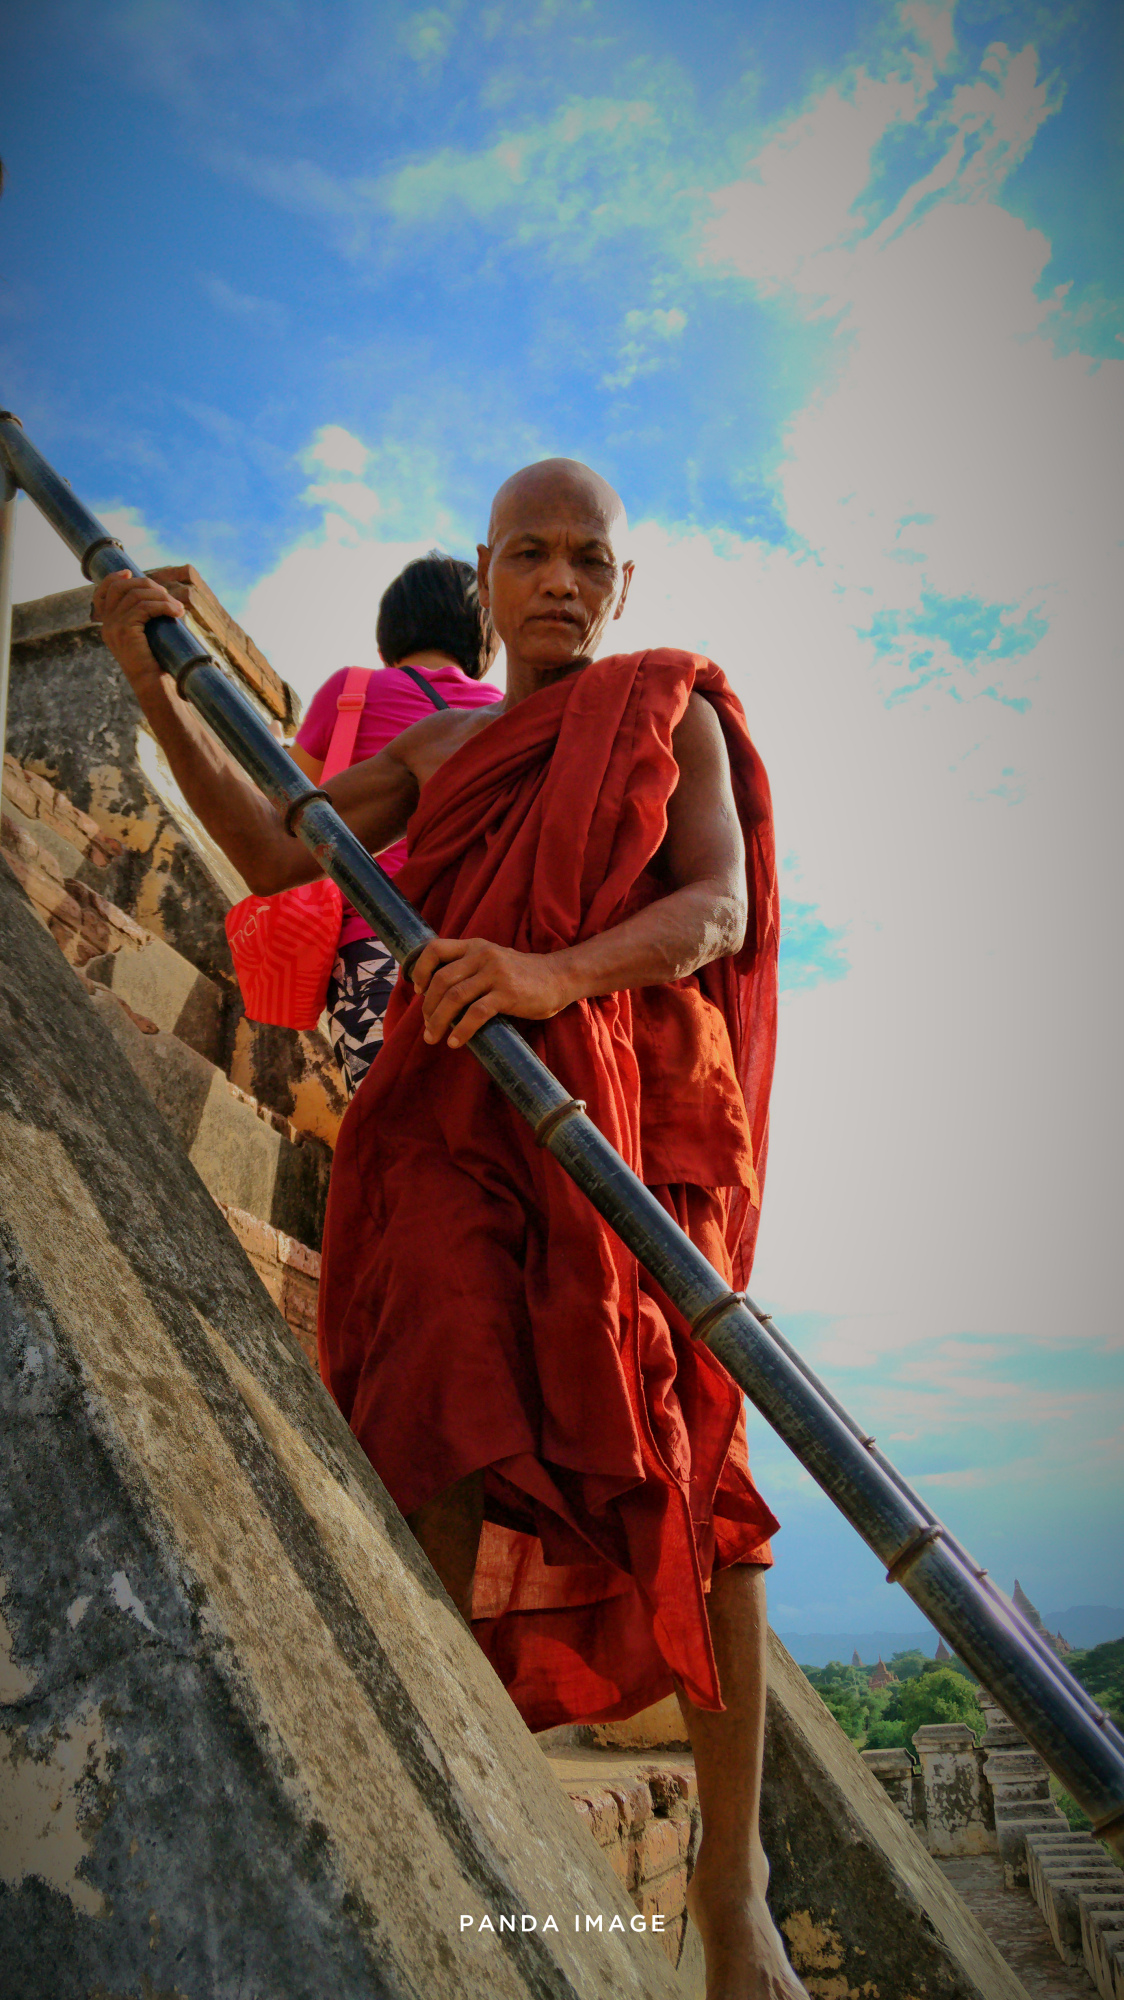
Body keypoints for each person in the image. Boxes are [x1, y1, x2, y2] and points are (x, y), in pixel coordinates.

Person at [93, 459, 806, 2000]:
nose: (559, 580)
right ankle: (458, 1806)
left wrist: (556, 976)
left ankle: (734, 1896)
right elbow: (285, 856)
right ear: (483, 581)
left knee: (694, 1451)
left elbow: (719, 905)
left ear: (625, 586)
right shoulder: (441, 742)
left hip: (624, 1093)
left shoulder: (666, 706)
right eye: (528, 554)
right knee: (432, 1411)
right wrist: (152, 684)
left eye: (587, 559)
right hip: (453, 1113)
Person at [290, 551, 500, 1094]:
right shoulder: (505, 712)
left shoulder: (353, 690)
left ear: (391, 630)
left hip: (372, 942)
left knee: (390, 1114)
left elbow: (287, 803)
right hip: (480, 956)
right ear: (486, 634)